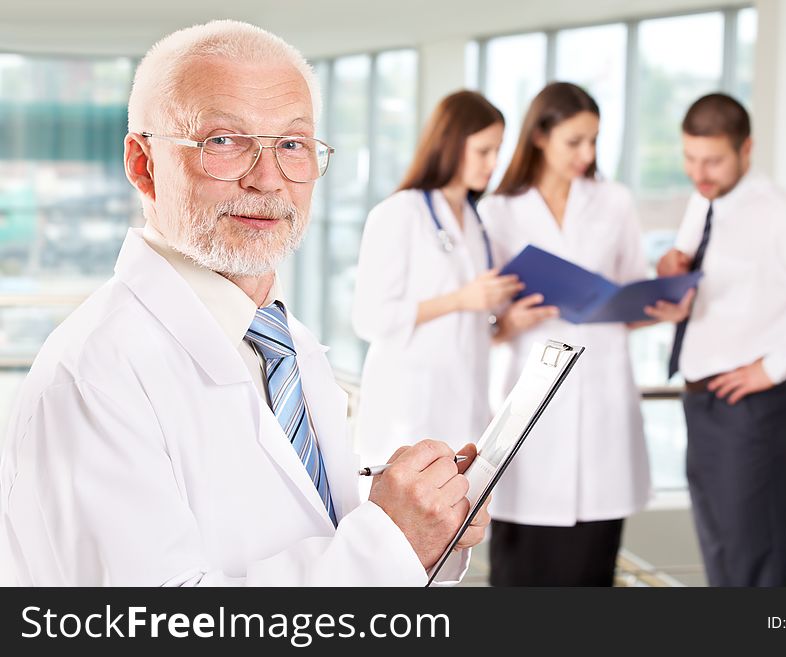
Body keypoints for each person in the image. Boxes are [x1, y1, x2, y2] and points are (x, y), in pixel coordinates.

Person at [0, 20, 488, 586]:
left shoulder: (285, 343)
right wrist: (386, 544)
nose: (268, 180)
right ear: (143, 164)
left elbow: (307, 525)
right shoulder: (92, 376)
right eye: (224, 142)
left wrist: (417, 529)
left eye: (292, 145)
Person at [479, 82, 692, 586]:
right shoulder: (497, 211)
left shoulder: (613, 201)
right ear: (539, 137)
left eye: (594, 141)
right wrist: (507, 321)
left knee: (591, 567)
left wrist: (660, 306)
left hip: (600, 395)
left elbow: (626, 297)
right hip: (528, 395)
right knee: (518, 568)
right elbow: (479, 322)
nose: (587, 154)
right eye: (574, 141)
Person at [657, 92, 786, 587]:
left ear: (746, 150)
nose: (698, 172)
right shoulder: (707, 200)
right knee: (725, 566)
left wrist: (773, 365)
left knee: (756, 572)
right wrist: (672, 270)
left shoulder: (777, 215)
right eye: (689, 158)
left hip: (751, 412)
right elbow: (704, 284)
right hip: (705, 404)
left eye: (712, 160)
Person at [352, 91, 553, 465]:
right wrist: (462, 299)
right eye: (483, 151)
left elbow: (470, 327)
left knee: (465, 517)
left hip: (466, 405)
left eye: (498, 150)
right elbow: (370, 319)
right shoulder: (399, 213)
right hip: (408, 409)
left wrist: (504, 324)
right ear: (450, 144)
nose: (493, 163)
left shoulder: (477, 222)